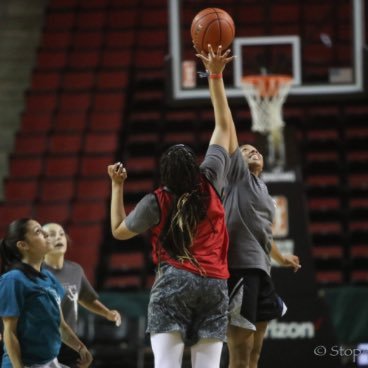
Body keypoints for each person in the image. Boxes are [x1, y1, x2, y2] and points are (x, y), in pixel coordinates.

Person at [107, 46, 235, 368]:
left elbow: (118, 232)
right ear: (196, 168)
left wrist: (117, 187)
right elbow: (222, 126)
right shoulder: (211, 178)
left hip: (174, 282)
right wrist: (215, 75)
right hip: (214, 283)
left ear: (165, 176)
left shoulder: (156, 201)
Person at [196, 46, 301, 368]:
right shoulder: (236, 176)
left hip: (262, 271)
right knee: (239, 354)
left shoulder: (264, 189)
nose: (251, 150)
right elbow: (223, 118)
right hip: (238, 270)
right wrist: (215, 76)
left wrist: (282, 258)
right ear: (232, 161)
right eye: (244, 149)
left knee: (255, 354)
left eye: (255, 149)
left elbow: (261, 234)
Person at [0, 218, 93, 368]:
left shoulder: (49, 277)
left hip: (50, 362)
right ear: (23, 245)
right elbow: (9, 333)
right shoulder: (13, 280)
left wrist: (80, 348)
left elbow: (61, 325)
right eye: (38, 231)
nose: (45, 234)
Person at [42, 222, 122, 368]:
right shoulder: (35, 273)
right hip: (43, 342)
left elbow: (85, 297)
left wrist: (107, 313)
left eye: (61, 234)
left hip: (70, 341)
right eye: (51, 235)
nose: (58, 238)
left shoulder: (75, 270)